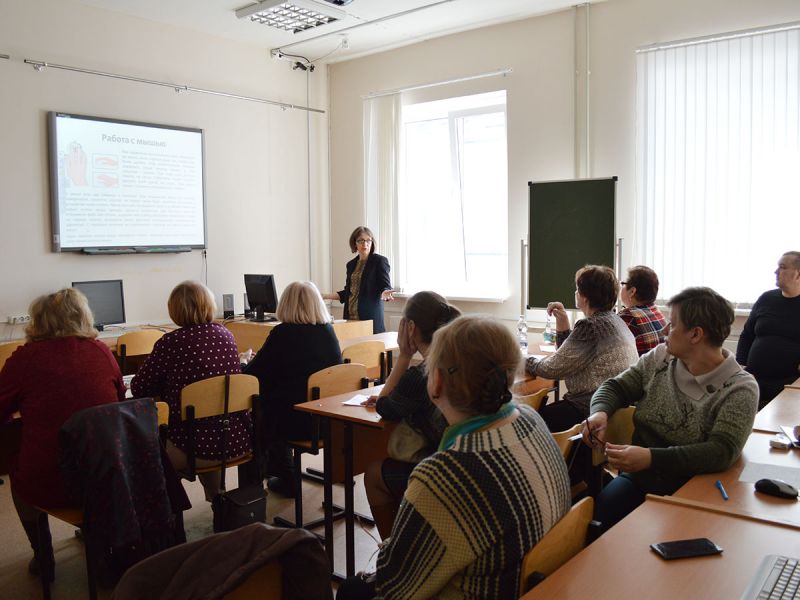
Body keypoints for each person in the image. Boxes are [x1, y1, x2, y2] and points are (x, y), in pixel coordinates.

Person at [338, 315, 571, 600]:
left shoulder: (443, 474)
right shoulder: (532, 420)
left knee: (351, 590)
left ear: (435, 382)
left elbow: (392, 586)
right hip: (537, 584)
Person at [585, 287, 758, 532]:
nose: (664, 330)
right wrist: (599, 412)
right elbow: (616, 387)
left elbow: (722, 451)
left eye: (672, 324)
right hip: (641, 479)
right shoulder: (661, 358)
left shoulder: (740, 388)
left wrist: (651, 458)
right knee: (598, 520)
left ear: (695, 334)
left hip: (699, 485)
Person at [0, 288, 125, 580]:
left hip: (51, 482)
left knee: (19, 473)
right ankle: (99, 543)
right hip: (105, 476)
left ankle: (43, 555)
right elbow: (118, 399)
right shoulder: (102, 351)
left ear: (38, 321)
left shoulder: (25, 359)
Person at [131, 281, 248, 501]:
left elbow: (139, 388)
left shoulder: (171, 342)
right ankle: (218, 500)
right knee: (207, 418)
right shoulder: (226, 335)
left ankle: (168, 518)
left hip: (190, 448)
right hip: (235, 439)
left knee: (141, 454)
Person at [361, 291, 461, 538]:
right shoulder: (459, 360)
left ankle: (392, 554)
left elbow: (385, 406)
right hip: (460, 459)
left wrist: (404, 355)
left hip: (441, 473)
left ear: (411, 328)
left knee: (373, 474)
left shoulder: (420, 376)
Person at [243, 281, 342, 496]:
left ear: (286, 304)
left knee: (264, 408)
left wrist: (244, 361)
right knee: (279, 398)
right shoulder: (328, 331)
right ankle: (284, 473)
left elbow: (254, 374)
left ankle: (282, 478)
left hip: (300, 422)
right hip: (330, 419)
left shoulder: (283, 333)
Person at [525, 265, 638, 432]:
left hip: (589, 409)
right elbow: (568, 357)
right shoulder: (616, 321)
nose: (576, 293)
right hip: (616, 411)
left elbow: (552, 369)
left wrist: (524, 360)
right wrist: (562, 323)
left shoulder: (590, 326)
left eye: (578, 289)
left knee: (526, 422)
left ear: (585, 297)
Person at [736, 251, 800, 408]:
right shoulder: (766, 298)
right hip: (754, 380)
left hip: (789, 385)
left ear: (798, 274)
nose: (776, 271)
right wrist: (741, 367)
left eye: (782, 267)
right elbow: (747, 335)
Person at [323, 226, 393, 334]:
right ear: (354, 243)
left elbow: (385, 285)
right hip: (350, 319)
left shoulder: (379, 261)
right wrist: (324, 296)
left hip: (369, 319)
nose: (365, 244)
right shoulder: (351, 265)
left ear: (372, 242)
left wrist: (386, 292)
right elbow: (348, 292)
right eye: (361, 240)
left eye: (368, 240)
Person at [618, 265, 667, 355]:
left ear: (632, 291)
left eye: (623, 284)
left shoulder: (628, 317)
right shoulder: (656, 311)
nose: (621, 287)